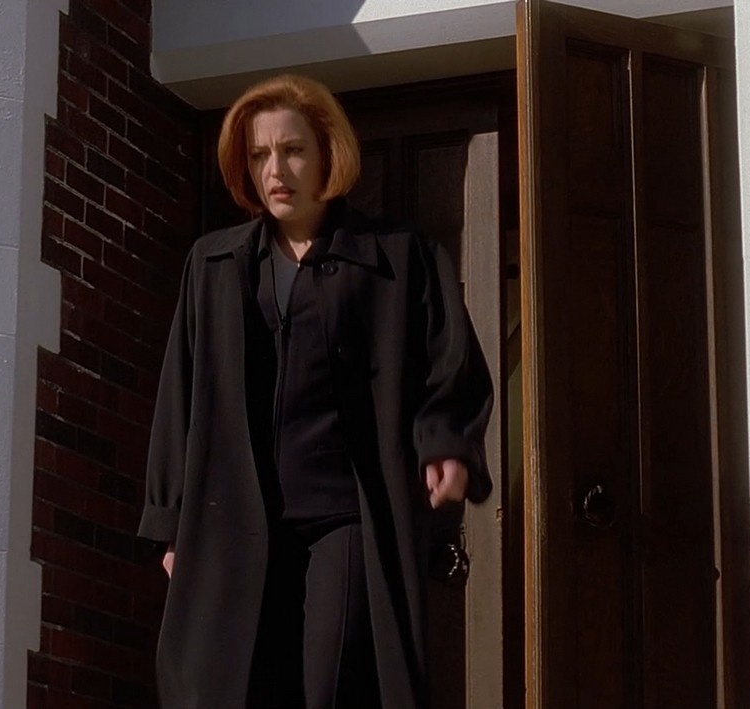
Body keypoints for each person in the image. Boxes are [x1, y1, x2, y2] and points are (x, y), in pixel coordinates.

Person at [137, 74, 493, 709]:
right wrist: (171, 525)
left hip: (345, 516)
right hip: (232, 521)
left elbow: (450, 364)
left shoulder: (398, 258)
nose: (275, 170)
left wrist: (446, 444)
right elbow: (178, 398)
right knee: (236, 686)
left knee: (332, 685)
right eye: (259, 154)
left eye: (293, 150)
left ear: (329, 153)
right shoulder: (213, 266)